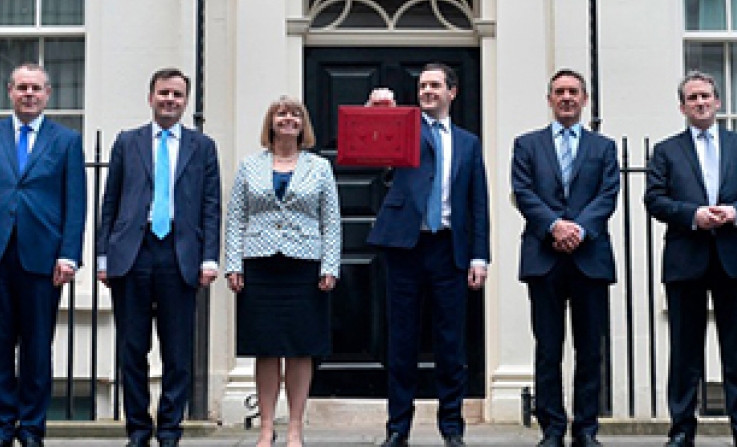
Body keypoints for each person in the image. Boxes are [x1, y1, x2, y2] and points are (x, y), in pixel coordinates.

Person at [365, 62, 490, 447]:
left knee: (451, 343)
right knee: (401, 341)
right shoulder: (403, 128)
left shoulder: (469, 143)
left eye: (435, 85)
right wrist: (376, 110)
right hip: (406, 247)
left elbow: (478, 203)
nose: (428, 91)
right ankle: (397, 428)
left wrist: (479, 256)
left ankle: (451, 427)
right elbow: (371, 145)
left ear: (453, 92)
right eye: (423, 86)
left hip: (449, 248)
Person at [644, 71, 737, 447]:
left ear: (718, 102)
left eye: (706, 96)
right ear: (682, 106)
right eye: (692, 98)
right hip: (686, 258)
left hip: (733, 258)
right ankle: (682, 430)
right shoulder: (666, 150)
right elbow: (654, 199)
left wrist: (735, 212)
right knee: (684, 352)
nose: (700, 103)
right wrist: (692, 215)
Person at [97, 68, 221, 447]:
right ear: (150, 98)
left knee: (177, 350)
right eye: (163, 93)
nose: (170, 100)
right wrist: (103, 255)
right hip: (132, 253)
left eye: (177, 95)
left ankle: (169, 429)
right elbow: (111, 202)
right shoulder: (126, 142)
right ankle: (137, 428)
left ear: (185, 101)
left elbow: (211, 206)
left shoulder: (203, 147)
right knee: (132, 347)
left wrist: (209, 258)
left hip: (180, 254)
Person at [511, 69, 619, 447]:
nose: (567, 97)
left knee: (590, 349)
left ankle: (586, 428)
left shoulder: (603, 148)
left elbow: (608, 195)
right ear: (549, 99)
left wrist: (577, 229)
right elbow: (523, 192)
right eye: (559, 92)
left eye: (573, 92)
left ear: (585, 99)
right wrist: (555, 226)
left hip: (590, 258)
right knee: (548, 348)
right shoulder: (527, 145)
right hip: (544, 258)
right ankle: (552, 429)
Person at [225, 96, 341, 447]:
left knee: (301, 348)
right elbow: (235, 219)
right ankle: (265, 428)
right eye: (281, 113)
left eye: (294, 114)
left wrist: (330, 265)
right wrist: (234, 264)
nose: (288, 119)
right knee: (266, 348)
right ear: (271, 123)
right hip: (259, 264)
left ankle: (294, 428)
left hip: (304, 265)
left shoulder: (319, 168)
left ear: (303, 124)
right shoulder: (249, 166)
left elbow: (331, 221)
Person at [0, 64, 86, 447]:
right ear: (10, 92)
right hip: (1, 255)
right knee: (0, 346)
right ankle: (3, 424)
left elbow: (75, 203)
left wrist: (69, 255)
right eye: (22, 88)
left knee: (37, 347)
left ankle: (32, 427)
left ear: (48, 94)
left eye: (36, 88)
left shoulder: (66, 141)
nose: (29, 94)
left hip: (42, 260)